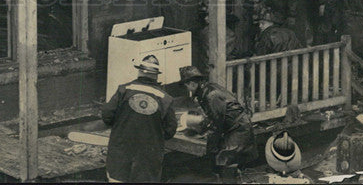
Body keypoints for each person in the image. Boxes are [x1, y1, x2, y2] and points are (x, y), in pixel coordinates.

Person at [100, 53, 178, 183]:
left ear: (140, 72)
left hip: (121, 152)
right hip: (148, 157)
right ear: (156, 75)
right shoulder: (165, 99)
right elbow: (170, 130)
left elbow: (107, 115)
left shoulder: (123, 90)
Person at [179, 64, 257, 184]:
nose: (187, 89)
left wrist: (210, 146)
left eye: (187, 86)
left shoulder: (211, 95)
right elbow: (212, 118)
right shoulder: (206, 90)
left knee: (224, 159)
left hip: (239, 128)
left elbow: (216, 124)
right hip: (231, 127)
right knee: (222, 159)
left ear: (193, 84)